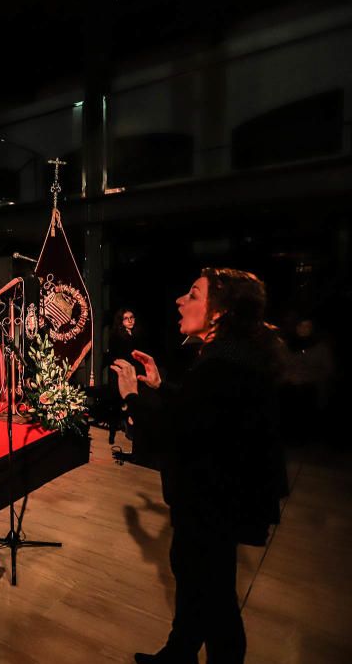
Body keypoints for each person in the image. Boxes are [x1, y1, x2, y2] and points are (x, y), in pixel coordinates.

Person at [110, 268, 287, 664]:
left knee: (215, 601)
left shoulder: (224, 366)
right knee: (195, 582)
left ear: (220, 313)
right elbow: (200, 412)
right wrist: (160, 386)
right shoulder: (231, 358)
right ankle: (179, 653)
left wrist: (132, 398)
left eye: (193, 294)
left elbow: (174, 431)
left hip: (212, 500)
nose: (180, 300)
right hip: (214, 499)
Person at [105, 307, 142, 444]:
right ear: (121, 321)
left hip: (133, 372)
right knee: (118, 403)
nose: (130, 320)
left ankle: (130, 425)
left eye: (132, 317)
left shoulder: (137, 334)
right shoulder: (115, 335)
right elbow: (113, 356)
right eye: (126, 318)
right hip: (119, 372)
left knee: (134, 401)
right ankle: (113, 432)